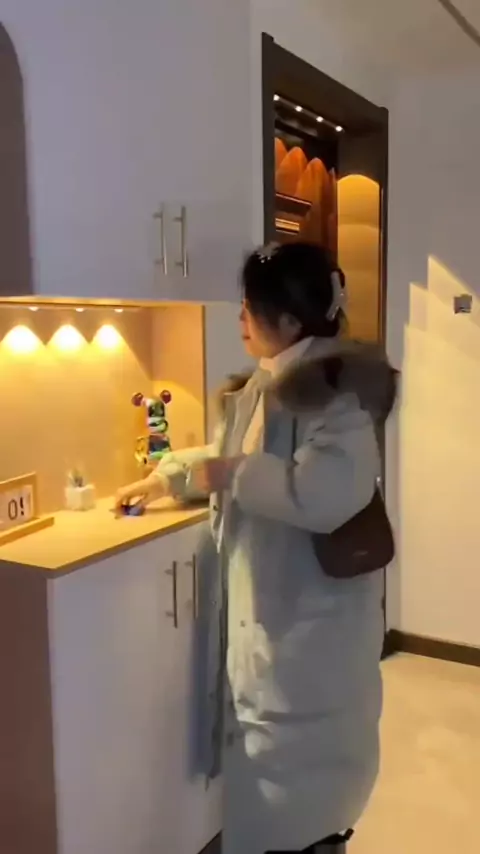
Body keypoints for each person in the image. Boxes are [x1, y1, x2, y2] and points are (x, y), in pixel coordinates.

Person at [116, 241, 397, 854]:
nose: (240, 316)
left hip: (308, 630)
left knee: (303, 790)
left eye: (250, 306)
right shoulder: (265, 382)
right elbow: (232, 457)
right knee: (267, 784)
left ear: (290, 320)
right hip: (274, 620)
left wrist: (231, 474)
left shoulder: (335, 392)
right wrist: (169, 477)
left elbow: (326, 492)